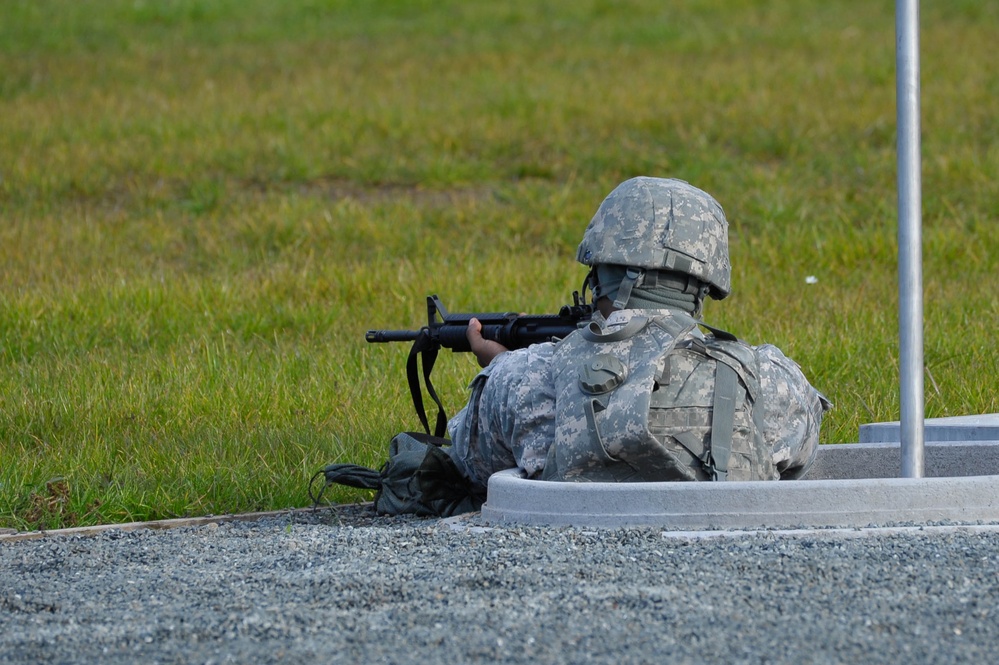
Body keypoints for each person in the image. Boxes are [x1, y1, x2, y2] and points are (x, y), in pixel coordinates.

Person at [446, 176, 831, 493]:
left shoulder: (525, 377)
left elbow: (472, 464)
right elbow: (799, 461)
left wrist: (502, 367)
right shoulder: (767, 378)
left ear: (597, 273)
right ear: (703, 284)